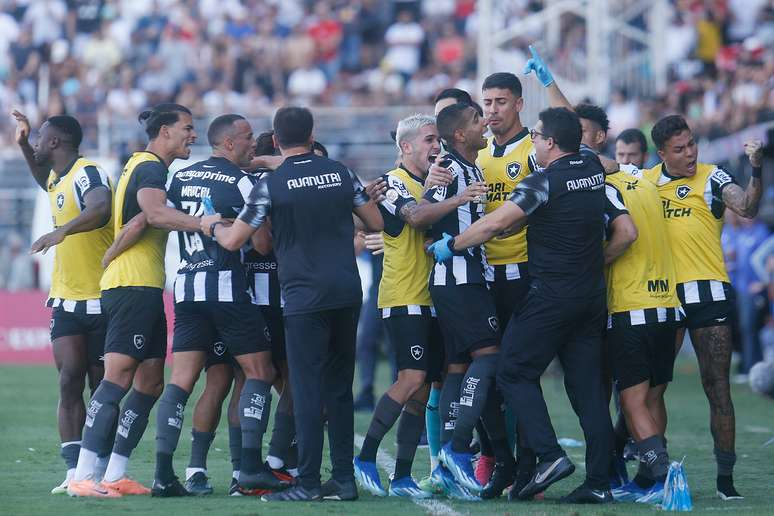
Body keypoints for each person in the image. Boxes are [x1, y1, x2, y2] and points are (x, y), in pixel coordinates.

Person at [430, 107, 614, 503]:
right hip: (591, 295)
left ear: (550, 143)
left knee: (511, 371)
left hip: (552, 296)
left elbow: (495, 224)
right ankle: (600, 483)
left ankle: (548, 456)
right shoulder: (590, 168)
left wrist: (453, 244)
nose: (532, 140)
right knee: (587, 390)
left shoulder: (542, 181)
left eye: (538, 136)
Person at [201, 106, 384, 502]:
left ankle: (307, 483)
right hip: (347, 291)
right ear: (312, 132)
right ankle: (344, 481)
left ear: (277, 140)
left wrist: (210, 224)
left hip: (303, 296)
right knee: (338, 389)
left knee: (305, 388)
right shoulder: (340, 173)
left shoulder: (272, 184)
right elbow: (376, 223)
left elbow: (235, 241)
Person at [68, 103, 203, 497]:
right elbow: (155, 214)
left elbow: (140, 221)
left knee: (149, 382)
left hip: (143, 284)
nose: (192, 135)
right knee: (117, 379)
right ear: (164, 132)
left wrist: (111, 252)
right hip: (132, 286)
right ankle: (83, 475)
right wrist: (204, 223)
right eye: (187, 128)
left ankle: (114, 474)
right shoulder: (150, 168)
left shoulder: (141, 165)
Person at [151, 114, 289, 497]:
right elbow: (261, 245)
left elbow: (162, 219)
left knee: (181, 382)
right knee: (259, 372)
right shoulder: (245, 181)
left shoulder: (180, 178)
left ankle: (164, 475)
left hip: (187, 289)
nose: (251, 145)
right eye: (246, 138)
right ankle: (248, 469)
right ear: (229, 143)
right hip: (229, 290)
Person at [354, 114, 483, 500]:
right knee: (411, 379)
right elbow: (413, 218)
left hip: (434, 296)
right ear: (405, 147)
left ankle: (404, 475)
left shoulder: (437, 181)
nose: (436, 147)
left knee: (424, 387)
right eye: (428, 140)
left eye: (437, 140)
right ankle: (365, 458)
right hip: (403, 295)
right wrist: (455, 196)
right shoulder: (394, 183)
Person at [639, 115, 764, 500]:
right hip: (664, 296)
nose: (690, 153)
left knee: (718, 387)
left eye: (692, 144)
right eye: (679, 149)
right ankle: (655, 474)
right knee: (653, 389)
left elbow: (746, 207)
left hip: (709, 295)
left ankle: (725, 481)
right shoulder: (646, 183)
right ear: (661, 154)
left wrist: (756, 169)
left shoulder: (713, 177)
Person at [575, 103, 682, 504]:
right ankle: (643, 477)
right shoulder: (644, 179)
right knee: (652, 398)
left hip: (630, 307)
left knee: (630, 400)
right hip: (668, 306)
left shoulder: (600, 186)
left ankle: (663, 474)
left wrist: (592, 263)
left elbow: (625, 235)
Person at [12, 111, 113, 494]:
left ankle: (98, 470)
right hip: (67, 299)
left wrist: (61, 231)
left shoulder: (88, 171)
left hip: (103, 298)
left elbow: (100, 208)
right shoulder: (57, 177)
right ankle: (74, 473)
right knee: (69, 381)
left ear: (56, 142)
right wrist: (22, 144)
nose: (37, 141)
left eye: (39, 137)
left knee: (101, 387)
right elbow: (45, 181)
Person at [419, 103, 503, 497]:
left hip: (466, 278)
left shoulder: (472, 167)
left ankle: (452, 463)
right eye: (476, 121)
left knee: (456, 367)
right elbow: (421, 215)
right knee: (489, 356)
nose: (484, 122)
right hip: (458, 281)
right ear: (459, 135)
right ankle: (456, 448)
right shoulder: (450, 169)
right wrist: (453, 204)